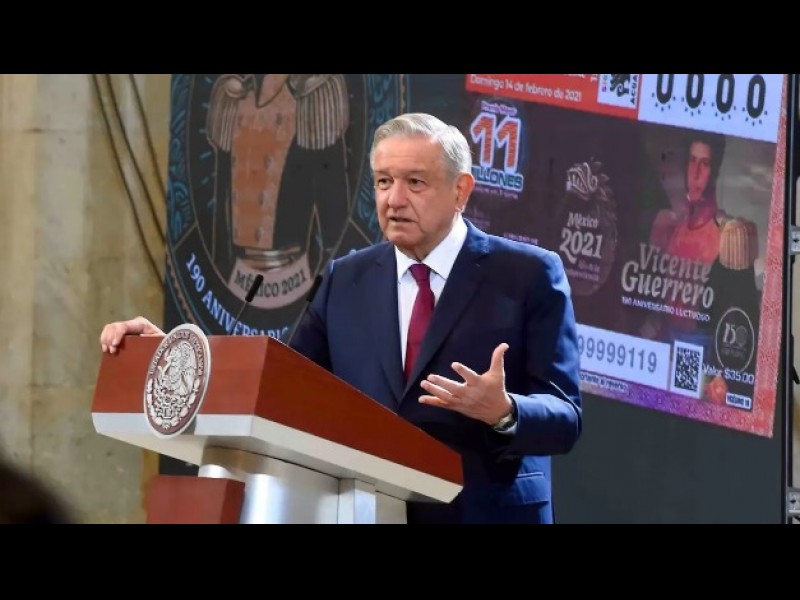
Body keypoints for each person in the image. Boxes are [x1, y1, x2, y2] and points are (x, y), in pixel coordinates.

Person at [100, 112, 583, 524]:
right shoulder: (347, 278)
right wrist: (176, 358)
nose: (394, 200)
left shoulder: (527, 275)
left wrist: (504, 411)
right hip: (362, 511)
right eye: (383, 182)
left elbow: (566, 417)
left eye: (415, 182)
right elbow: (279, 385)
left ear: (461, 190)